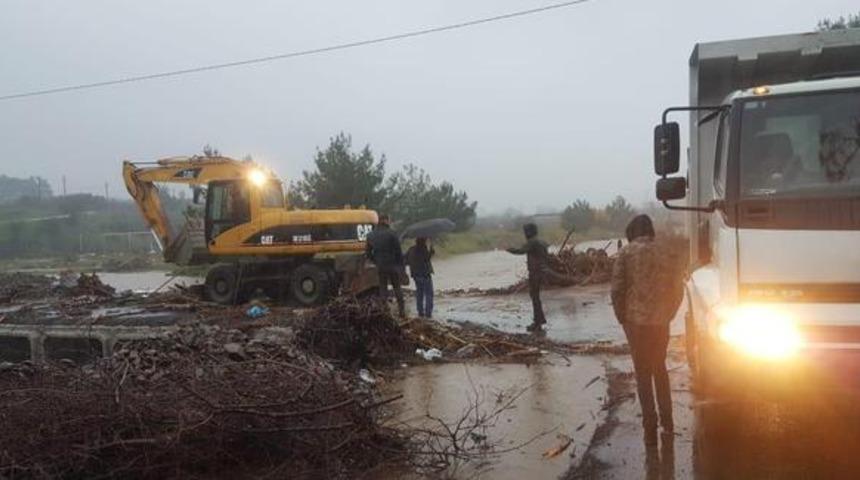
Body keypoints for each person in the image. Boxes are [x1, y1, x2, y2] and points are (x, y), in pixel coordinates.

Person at [610, 214, 684, 446]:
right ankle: (668, 423)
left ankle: (649, 425)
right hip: (660, 321)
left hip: (635, 323)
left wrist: (622, 318)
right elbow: (678, 287)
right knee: (660, 369)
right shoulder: (666, 251)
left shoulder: (625, 253)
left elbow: (617, 290)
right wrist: (670, 312)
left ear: (632, 231)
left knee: (642, 373)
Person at [507, 222, 549, 332]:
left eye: (526, 231)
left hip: (535, 273)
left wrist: (509, 249)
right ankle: (539, 321)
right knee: (536, 297)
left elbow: (521, 251)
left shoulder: (533, 242)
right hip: (542, 272)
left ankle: (538, 323)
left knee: (535, 297)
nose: (525, 234)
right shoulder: (542, 242)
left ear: (529, 232)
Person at [365, 214, 406, 317]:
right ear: (386, 220)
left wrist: (376, 261)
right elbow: (399, 252)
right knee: (397, 287)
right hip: (393, 265)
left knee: (383, 288)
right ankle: (402, 312)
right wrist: (401, 267)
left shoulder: (371, 235)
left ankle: (384, 311)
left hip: (381, 266)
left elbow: (368, 253)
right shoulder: (392, 234)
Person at [405, 237, 435, 318]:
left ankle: (420, 312)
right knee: (429, 294)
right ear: (424, 241)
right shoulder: (424, 249)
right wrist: (431, 250)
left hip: (416, 275)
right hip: (425, 275)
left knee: (419, 293)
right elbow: (427, 259)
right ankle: (428, 314)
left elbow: (405, 261)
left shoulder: (411, 249)